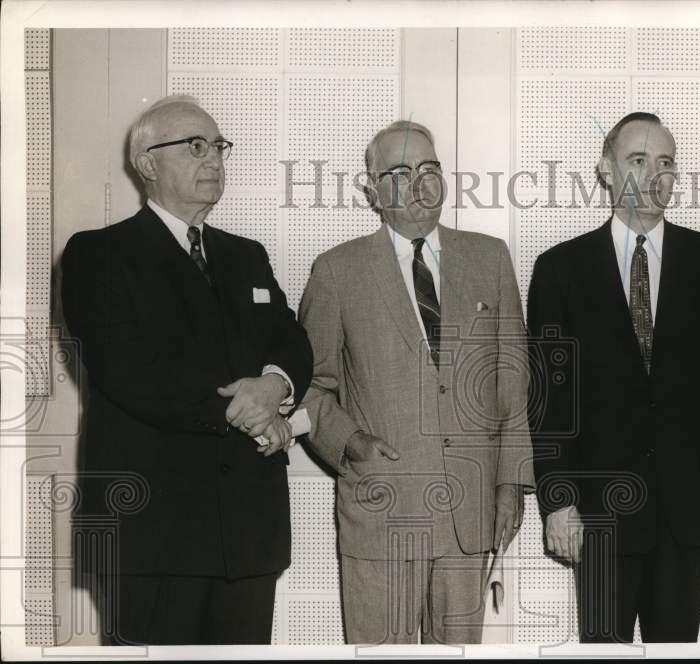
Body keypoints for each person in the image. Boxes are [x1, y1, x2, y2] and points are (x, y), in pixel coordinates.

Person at [61, 95, 313, 645]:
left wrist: (274, 386)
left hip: (247, 534)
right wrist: (251, 413)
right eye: (196, 147)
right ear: (147, 163)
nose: (215, 160)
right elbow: (129, 370)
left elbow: (291, 340)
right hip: (155, 533)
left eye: (219, 146)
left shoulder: (247, 255)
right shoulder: (97, 254)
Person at [296, 119, 534, 644]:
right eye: (401, 173)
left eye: (430, 169)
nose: (421, 184)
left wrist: (511, 483)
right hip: (381, 510)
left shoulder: (489, 258)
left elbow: (513, 383)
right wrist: (350, 442)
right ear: (371, 190)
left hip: (468, 516)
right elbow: (308, 384)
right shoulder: (336, 272)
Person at [527, 112, 700, 642]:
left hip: (685, 514)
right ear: (605, 169)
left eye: (665, 162)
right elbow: (549, 400)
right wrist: (558, 500)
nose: (653, 176)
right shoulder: (560, 269)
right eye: (637, 160)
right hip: (597, 513)